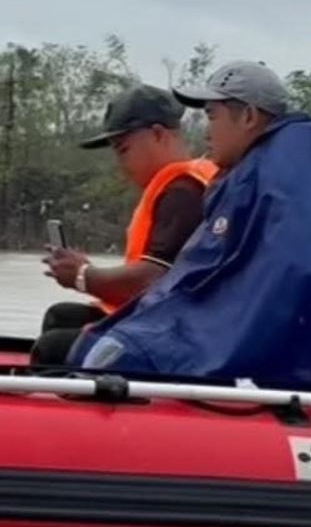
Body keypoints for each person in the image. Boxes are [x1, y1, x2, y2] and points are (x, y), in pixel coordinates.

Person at [69, 61, 311, 386]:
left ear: (250, 117)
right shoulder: (267, 169)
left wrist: (139, 341)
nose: (206, 132)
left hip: (284, 370)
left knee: (100, 353)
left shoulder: (264, 180)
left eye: (212, 116)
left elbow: (258, 292)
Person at [31, 85, 217, 365]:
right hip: (164, 320)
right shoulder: (182, 184)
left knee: (53, 347)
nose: (120, 163)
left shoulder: (183, 192)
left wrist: (84, 276)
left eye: (124, 149)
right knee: (61, 316)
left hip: (173, 331)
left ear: (158, 134)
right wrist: (86, 272)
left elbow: (153, 282)